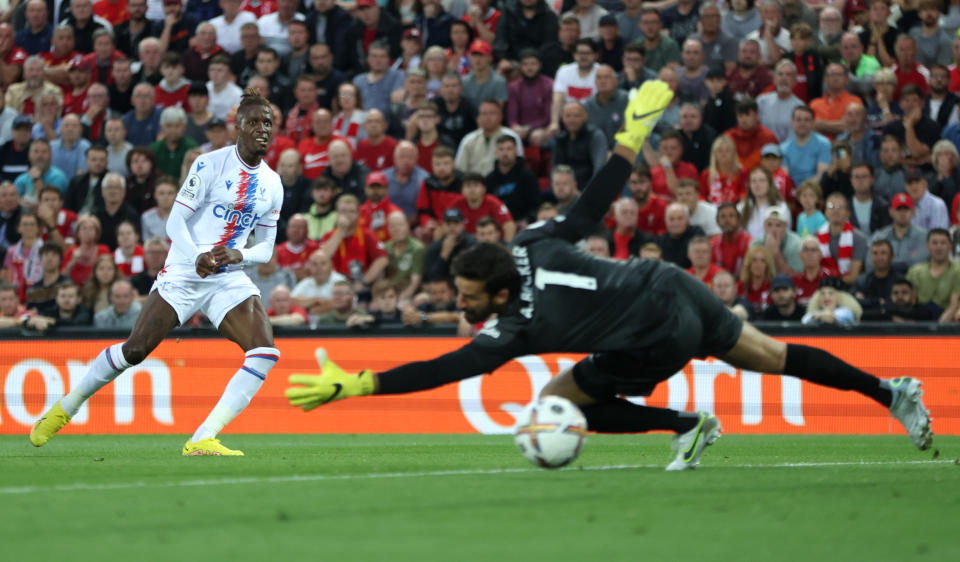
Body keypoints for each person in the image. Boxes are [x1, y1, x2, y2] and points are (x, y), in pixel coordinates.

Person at [285, 81, 934, 471]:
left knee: (559, 406)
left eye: (471, 296)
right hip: (669, 282)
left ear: (502, 292)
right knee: (774, 353)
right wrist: (631, 135)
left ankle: (687, 425)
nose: (465, 304)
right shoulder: (533, 239)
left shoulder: (513, 326)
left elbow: (440, 370)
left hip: (652, 334)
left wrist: (361, 384)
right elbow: (594, 202)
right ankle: (890, 393)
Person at [30, 90, 286, 457]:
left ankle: (202, 437)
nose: (263, 129)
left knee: (264, 351)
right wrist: (198, 253)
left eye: (268, 123)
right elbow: (175, 221)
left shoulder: (273, 184)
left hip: (227, 275)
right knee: (135, 350)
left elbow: (265, 247)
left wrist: (239, 255)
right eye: (255, 122)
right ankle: (64, 408)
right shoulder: (209, 164)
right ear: (238, 128)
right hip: (184, 269)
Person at [906, 228, 960, 323]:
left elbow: (954, 304)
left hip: (947, 325)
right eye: (934, 243)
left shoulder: (958, 271)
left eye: (943, 243)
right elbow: (910, 302)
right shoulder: (914, 271)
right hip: (919, 322)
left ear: (950, 246)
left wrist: (938, 328)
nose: (939, 247)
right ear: (927, 246)